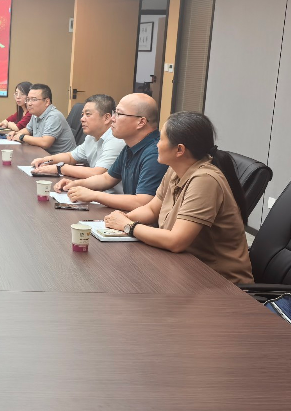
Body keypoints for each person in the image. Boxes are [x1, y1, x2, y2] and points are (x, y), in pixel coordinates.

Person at [104, 112, 254, 285]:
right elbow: (151, 209)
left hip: (220, 284)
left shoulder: (205, 179)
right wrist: (120, 219)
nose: (157, 144)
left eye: (161, 139)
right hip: (184, 269)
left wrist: (128, 226)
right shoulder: (175, 169)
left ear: (180, 150)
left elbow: (176, 241)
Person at [54, 93, 168, 210]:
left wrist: (94, 195)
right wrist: (74, 184)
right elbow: (107, 179)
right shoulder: (131, 146)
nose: (112, 119)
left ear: (141, 122)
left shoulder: (155, 153)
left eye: (119, 114)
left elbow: (142, 202)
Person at [31, 94, 125, 184]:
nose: (82, 119)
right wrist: (46, 160)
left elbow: (97, 173)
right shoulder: (91, 137)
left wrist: (59, 168)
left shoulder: (115, 140)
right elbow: (71, 157)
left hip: (113, 192)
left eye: (88, 114)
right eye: (82, 114)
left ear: (107, 118)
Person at [7, 84, 77, 155]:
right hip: (44, 155)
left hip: (62, 159)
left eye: (34, 99)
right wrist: (16, 134)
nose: (29, 104)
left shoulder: (54, 116)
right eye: (28, 99)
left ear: (47, 102)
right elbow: (28, 130)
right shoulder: (35, 114)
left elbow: (45, 143)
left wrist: (22, 137)